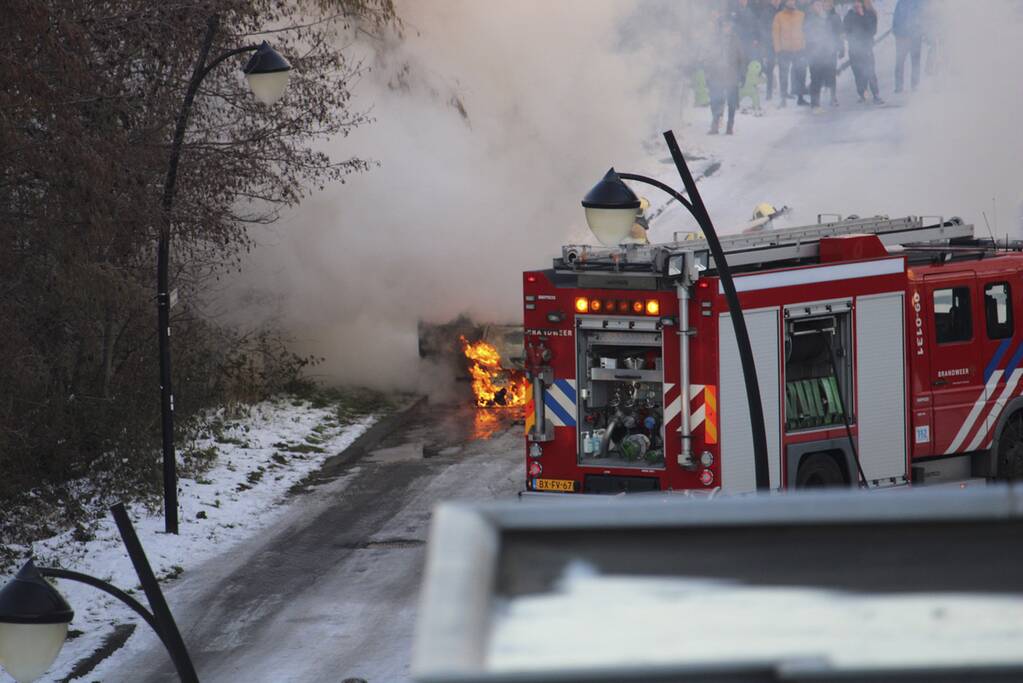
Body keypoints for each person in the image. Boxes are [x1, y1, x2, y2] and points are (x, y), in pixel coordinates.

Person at [706, 18, 745, 134]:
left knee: (732, 102)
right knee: (715, 100)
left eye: (728, 26)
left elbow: (741, 58)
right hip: (717, 75)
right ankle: (715, 123)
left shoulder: (736, 40)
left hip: (731, 76)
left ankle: (730, 124)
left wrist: (742, 74)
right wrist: (708, 72)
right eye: (724, 26)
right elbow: (709, 57)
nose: (726, 28)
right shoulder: (715, 40)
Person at [844, 0, 883, 103]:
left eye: (858, 2)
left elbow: (873, 30)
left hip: (866, 48)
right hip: (854, 49)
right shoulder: (849, 15)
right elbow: (845, 31)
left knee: (870, 71)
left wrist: (862, 15)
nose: (856, 4)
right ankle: (862, 93)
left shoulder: (870, 14)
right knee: (858, 73)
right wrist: (850, 38)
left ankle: (876, 94)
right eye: (855, 2)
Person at [773, 0, 808, 107]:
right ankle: (783, 99)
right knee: (783, 75)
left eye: (793, 1)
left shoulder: (801, 15)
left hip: (799, 49)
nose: (791, 2)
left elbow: (806, 31)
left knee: (800, 74)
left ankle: (800, 98)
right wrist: (778, 49)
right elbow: (775, 33)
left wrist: (805, 47)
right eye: (789, 1)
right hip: (784, 50)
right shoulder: (779, 16)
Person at [804, 1, 832, 112]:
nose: (819, 7)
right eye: (817, 5)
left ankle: (816, 102)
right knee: (815, 78)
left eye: (820, 5)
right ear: (813, 7)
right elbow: (808, 33)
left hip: (822, 52)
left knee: (819, 78)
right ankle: (815, 103)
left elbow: (827, 33)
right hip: (813, 53)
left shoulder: (823, 17)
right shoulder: (810, 17)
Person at [893, 0, 924, 93]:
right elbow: (896, 18)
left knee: (915, 62)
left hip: (915, 36)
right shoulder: (901, 3)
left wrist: (922, 31)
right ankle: (899, 86)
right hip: (902, 37)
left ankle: (915, 85)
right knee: (900, 62)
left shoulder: (918, 2)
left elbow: (923, 18)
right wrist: (896, 33)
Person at [755, 0, 783, 101]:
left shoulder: (782, 10)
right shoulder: (766, 12)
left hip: (782, 44)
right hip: (770, 44)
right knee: (770, 68)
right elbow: (762, 28)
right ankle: (769, 93)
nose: (776, 1)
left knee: (783, 69)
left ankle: (784, 93)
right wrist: (768, 40)